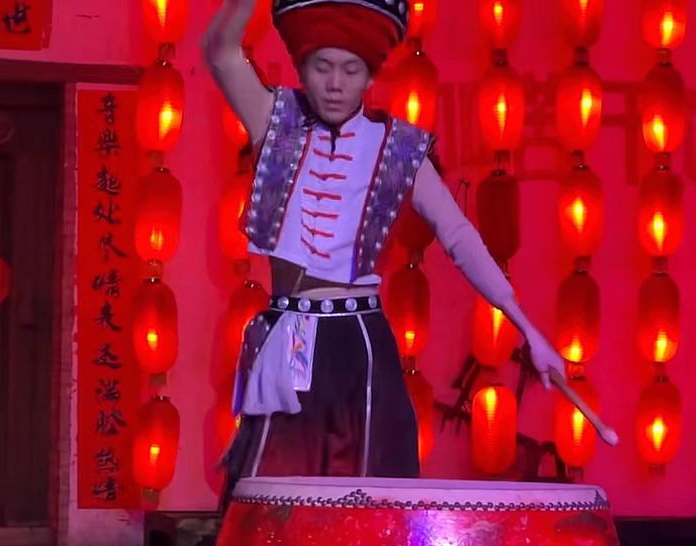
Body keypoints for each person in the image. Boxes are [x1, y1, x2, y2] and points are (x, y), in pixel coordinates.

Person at [204, 0, 565, 509]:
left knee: (370, 499)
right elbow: (220, 50)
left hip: (360, 343)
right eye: (322, 67)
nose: (335, 84)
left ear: (370, 76)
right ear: (302, 69)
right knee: (270, 503)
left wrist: (528, 330)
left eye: (350, 70)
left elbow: (460, 237)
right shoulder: (275, 118)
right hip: (289, 336)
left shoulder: (398, 148)